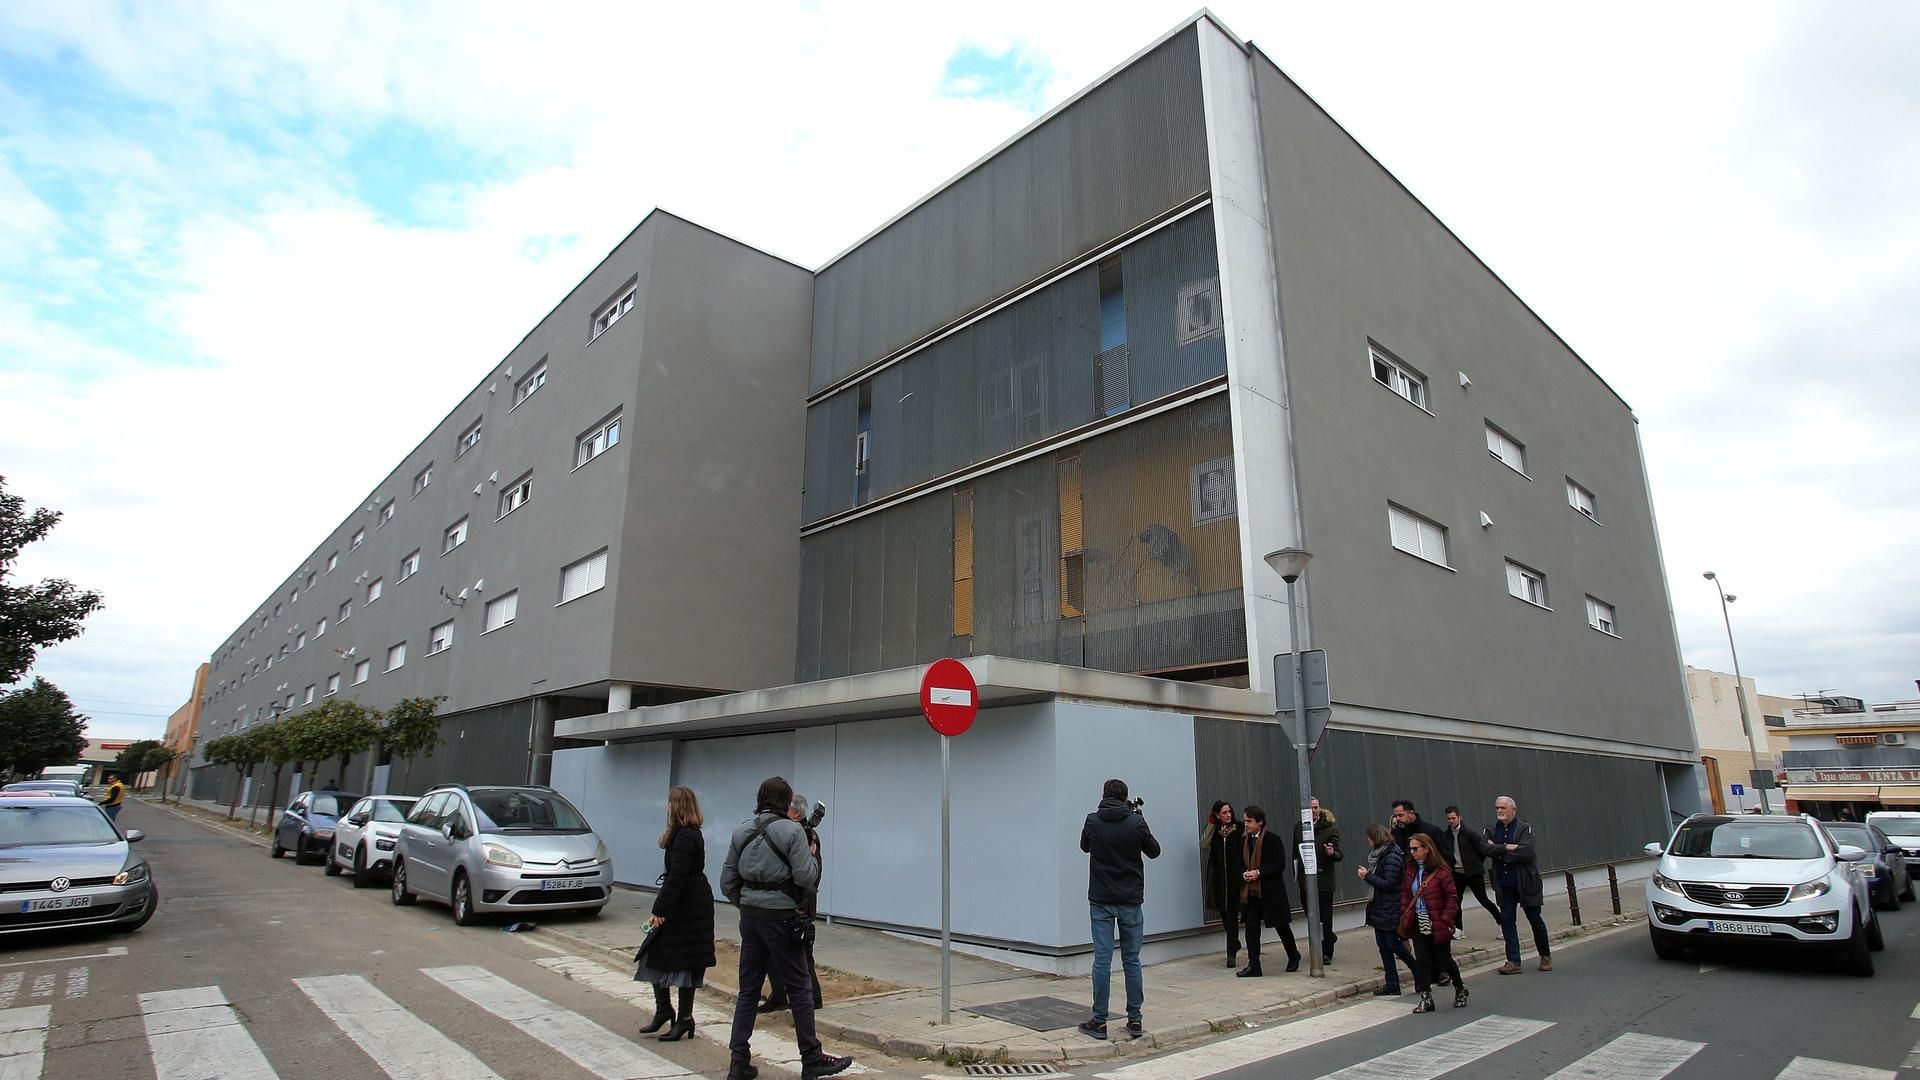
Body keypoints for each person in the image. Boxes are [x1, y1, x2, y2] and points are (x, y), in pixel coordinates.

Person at [720, 776, 852, 1080]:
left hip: (750, 918)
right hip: (781, 917)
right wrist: (814, 856)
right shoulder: (793, 832)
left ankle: (738, 1059)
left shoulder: (741, 831)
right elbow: (806, 877)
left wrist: (747, 903)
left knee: (748, 989)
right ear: (785, 802)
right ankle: (811, 1057)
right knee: (800, 987)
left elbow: (727, 882)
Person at [1077, 779, 1160, 1041]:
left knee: (1102, 960)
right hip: (1130, 900)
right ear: (1125, 797)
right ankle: (1134, 1019)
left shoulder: (1092, 820)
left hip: (1101, 899)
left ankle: (1099, 1021)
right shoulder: (1136, 822)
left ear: (1103, 795)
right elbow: (1154, 851)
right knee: (1131, 961)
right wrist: (1140, 820)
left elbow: (1084, 846)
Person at [638, 786, 717, 1041]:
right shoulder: (682, 834)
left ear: (677, 806)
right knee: (660, 954)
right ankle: (667, 1011)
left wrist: (659, 910)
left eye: (670, 803)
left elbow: (677, 877)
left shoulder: (686, 837)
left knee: (684, 961)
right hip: (687, 902)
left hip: (688, 906)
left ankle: (683, 1018)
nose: (667, 807)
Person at [760, 791, 824, 1013]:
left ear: (795, 813)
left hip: (799, 904)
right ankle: (780, 995)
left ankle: (813, 998)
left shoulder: (806, 835)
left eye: (786, 809)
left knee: (803, 952)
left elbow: (809, 874)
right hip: (789, 903)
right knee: (771, 951)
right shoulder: (795, 832)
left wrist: (801, 906)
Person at [1398, 833, 1465, 1013]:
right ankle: (1426, 997)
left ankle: (1460, 988)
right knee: (1422, 960)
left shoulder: (1441, 871)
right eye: (1410, 849)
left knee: (1444, 959)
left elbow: (1452, 897)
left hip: (1437, 920)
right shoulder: (1410, 870)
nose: (1412, 852)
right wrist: (1405, 914)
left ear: (1427, 849)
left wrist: (1445, 919)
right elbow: (1406, 894)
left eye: (1416, 849)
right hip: (1418, 920)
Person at [1485, 795, 1551, 974]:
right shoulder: (1491, 829)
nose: (1499, 811)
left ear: (1513, 810)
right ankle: (1513, 961)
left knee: (1535, 919)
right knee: (1507, 921)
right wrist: (1507, 847)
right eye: (1497, 807)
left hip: (1525, 882)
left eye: (1503, 808)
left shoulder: (1524, 828)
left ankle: (1545, 955)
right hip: (1504, 884)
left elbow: (1526, 851)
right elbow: (1485, 848)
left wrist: (1498, 849)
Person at [1235, 805, 1301, 977]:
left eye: (1249, 821)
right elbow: (1238, 863)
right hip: (1251, 892)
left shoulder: (1273, 839)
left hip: (1270, 892)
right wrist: (1244, 873)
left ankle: (1294, 955)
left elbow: (1280, 864)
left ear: (1260, 822)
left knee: (1281, 925)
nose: (1246, 824)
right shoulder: (1244, 841)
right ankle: (1254, 965)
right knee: (1251, 928)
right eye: (1245, 821)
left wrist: (1259, 872)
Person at [1355, 822, 1417, 996]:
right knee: (1383, 946)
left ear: (1376, 838)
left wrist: (1368, 876)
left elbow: (1390, 883)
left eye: (1369, 838)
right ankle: (1392, 982)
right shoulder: (1380, 856)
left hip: (1390, 906)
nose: (1368, 841)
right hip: (1379, 906)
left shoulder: (1391, 856)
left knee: (1393, 944)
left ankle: (1418, 971)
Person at [1292, 797, 1342, 964]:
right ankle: (1328, 938)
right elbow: (1295, 852)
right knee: (1311, 914)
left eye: (1316, 807)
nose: (1313, 811)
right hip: (1305, 880)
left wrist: (1331, 853)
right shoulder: (1299, 827)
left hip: (1323, 880)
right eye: (1310, 808)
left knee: (1325, 917)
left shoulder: (1329, 828)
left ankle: (1327, 951)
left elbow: (1339, 854)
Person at [1200, 800, 1244, 968]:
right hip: (1219, 878)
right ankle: (1235, 943)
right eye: (1224, 813)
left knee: (1232, 915)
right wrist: (1212, 824)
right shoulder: (1214, 830)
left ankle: (1230, 954)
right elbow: (1203, 843)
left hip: (1235, 878)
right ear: (1217, 814)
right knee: (1225, 915)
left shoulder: (1239, 828)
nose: (1228, 815)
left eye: (1229, 812)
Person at [1444, 805, 1501, 933]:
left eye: (1453, 818)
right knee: (1456, 901)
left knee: (1483, 900)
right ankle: (1459, 928)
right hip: (1457, 873)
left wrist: (1474, 865)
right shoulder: (1446, 835)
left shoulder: (1469, 833)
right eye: (1448, 818)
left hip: (1473, 873)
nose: (1451, 821)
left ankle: (1501, 923)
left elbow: (1482, 850)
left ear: (1459, 817)